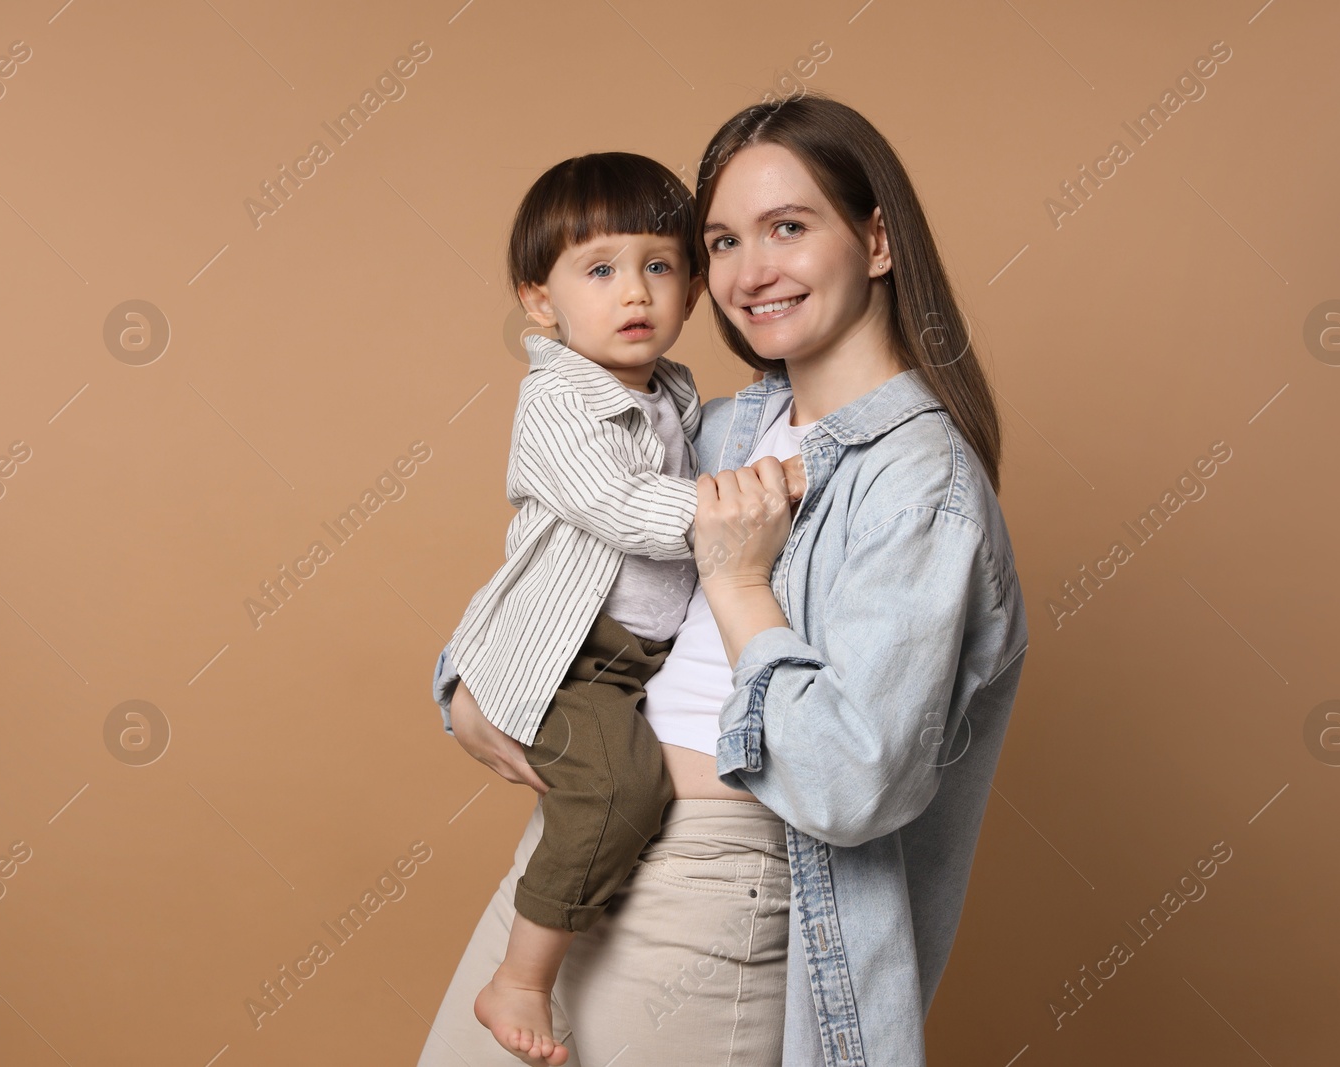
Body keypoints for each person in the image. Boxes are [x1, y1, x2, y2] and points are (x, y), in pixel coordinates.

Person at [420, 93, 1028, 1066]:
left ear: (875, 240)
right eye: (724, 240)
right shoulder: (725, 426)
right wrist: (462, 680)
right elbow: (575, 551)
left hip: (715, 880)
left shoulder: (916, 483)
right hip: (579, 854)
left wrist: (743, 588)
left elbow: (851, 780)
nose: (752, 271)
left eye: (788, 227)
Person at [433, 150, 804, 1065]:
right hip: (567, 657)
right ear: (540, 301)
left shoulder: (679, 395)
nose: (633, 292)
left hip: (630, 658)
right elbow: (621, 505)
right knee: (617, 790)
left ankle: (546, 953)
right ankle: (519, 978)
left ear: (689, 291)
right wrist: (746, 504)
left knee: (616, 788)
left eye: (659, 266)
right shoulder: (558, 397)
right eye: (599, 270)